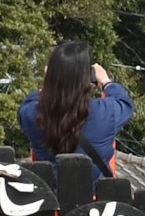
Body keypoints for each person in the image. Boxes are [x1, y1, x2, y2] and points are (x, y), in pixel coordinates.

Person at [17, 38, 135, 175]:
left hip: (50, 194)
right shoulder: (106, 113)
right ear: (88, 78)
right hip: (95, 194)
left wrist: (51, 81)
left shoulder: (31, 115)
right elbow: (124, 103)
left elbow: (31, 101)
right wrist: (105, 82)